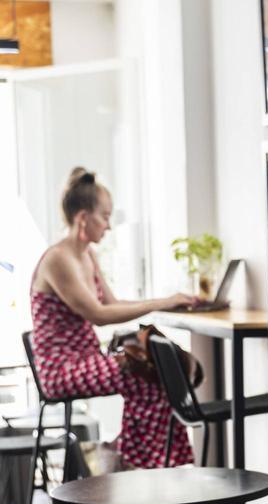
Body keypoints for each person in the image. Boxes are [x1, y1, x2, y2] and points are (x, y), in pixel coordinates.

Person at [30, 168, 196, 468]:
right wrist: (162, 302)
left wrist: (165, 305)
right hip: (62, 369)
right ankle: (141, 468)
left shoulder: (87, 255)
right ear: (83, 218)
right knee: (143, 374)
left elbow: (113, 303)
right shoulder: (58, 259)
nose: (108, 226)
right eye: (104, 217)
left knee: (155, 371)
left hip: (87, 358)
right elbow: (99, 315)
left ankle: (143, 464)